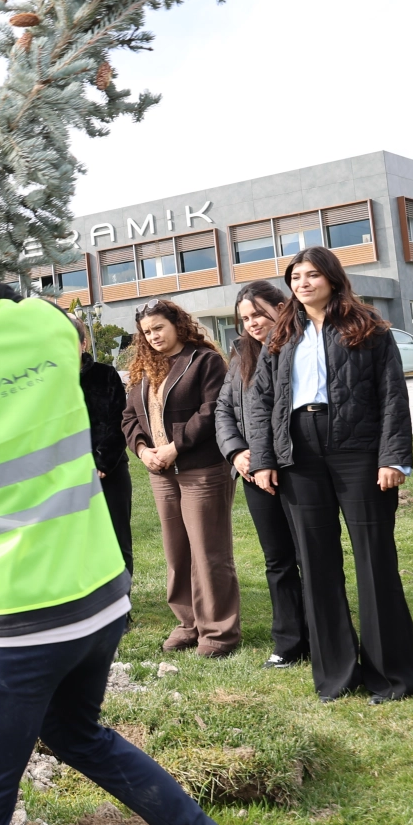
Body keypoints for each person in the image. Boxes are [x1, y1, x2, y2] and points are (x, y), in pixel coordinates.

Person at [0, 210, 262, 825]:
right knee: (81, 736)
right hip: (99, 597)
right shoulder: (47, 327)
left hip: (9, 622)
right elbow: (21, 307)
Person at [246, 245, 413, 705]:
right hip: (298, 454)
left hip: (359, 450)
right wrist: (263, 459)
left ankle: (391, 677)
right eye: (295, 276)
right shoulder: (281, 335)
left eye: (312, 275)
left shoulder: (370, 328)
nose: (303, 283)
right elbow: (261, 401)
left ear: (332, 278)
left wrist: (394, 457)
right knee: (316, 563)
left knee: (374, 560)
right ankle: (337, 675)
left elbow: (393, 397)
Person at [121, 299, 239, 657]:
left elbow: (212, 410)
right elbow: (128, 417)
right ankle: (189, 624)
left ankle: (218, 634)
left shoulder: (205, 361)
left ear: (177, 324)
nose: (154, 336)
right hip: (161, 471)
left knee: (209, 552)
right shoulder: (144, 368)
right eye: (147, 332)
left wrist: (175, 446)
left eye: (159, 328)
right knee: (177, 552)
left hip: (201, 468)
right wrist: (143, 450)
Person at [216, 282, 308, 670]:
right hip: (255, 472)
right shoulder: (241, 355)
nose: (252, 324)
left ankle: (325, 634)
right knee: (278, 559)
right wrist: (236, 452)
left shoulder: (305, 344)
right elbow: (223, 409)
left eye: (258, 314)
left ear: (281, 307)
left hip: (298, 467)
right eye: (245, 318)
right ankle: (289, 641)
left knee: (312, 556)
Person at [76, 317, 132, 578]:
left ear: (83, 343)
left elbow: (119, 420)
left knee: (117, 539)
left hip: (109, 472)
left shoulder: (105, 375)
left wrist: (102, 462)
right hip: (67, 476)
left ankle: (122, 606)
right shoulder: (45, 381)